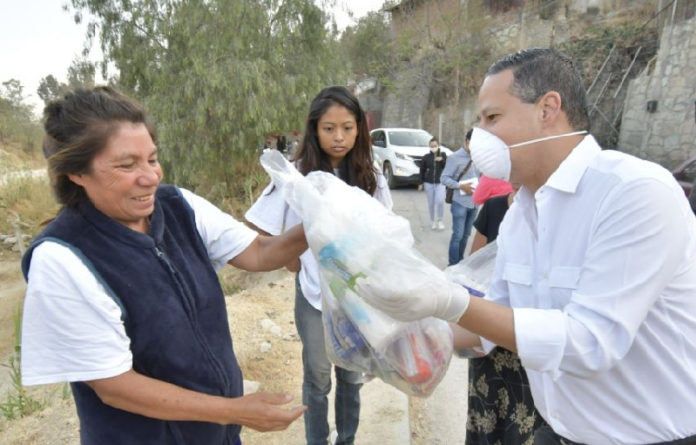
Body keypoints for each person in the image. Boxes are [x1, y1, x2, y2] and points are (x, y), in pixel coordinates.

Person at [362, 48, 696, 445]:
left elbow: (590, 343)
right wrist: (397, 335)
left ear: (547, 109)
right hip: (557, 432)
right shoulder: (522, 212)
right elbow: (496, 321)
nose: (480, 135)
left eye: (493, 117)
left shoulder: (633, 193)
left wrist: (449, 300)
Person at [20, 86, 309, 445]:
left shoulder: (177, 206)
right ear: (77, 173)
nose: (151, 177)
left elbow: (260, 253)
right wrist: (234, 410)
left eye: (152, 159)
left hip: (215, 434)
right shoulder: (62, 259)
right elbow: (115, 386)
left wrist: (320, 223)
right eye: (127, 165)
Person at [245, 86, 392, 445]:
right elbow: (260, 225)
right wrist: (291, 259)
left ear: (359, 129)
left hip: (356, 295)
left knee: (352, 375)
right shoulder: (295, 175)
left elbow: (387, 228)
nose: (339, 137)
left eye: (347, 127)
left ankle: (346, 439)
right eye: (329, 128)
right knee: (317, 377)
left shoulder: (369, 174)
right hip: (314, 295)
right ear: (315, 129)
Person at [465, 183, 545, 445]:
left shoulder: (561, 216)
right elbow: (472, 268)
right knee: (485, 423)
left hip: (531, 355)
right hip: (490, 344)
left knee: (524, 431)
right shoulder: (499, 209)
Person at [440, 129, 479, 265]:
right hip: (460, 202)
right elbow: (444, 178)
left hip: (474, 203)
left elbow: (481, 176)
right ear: (467, 141)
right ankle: (452, 264)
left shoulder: (479, 157)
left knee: (466, 235)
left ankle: (460, 263)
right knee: (458, 236)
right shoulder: (454, 157)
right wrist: (461, 186)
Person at [420, 137, 448, 230]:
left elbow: (447, 167)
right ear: (429, 146)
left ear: (438, 145)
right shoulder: (426, 157)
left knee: (440, 201)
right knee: (431, 203)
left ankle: (440, 220)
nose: (433, 147)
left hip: (440, 182)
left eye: (435, 146)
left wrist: (442, 160)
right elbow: (422, 170)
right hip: (429, 183)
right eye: (431, 146)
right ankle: (432, 221)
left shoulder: (443, 155)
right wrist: (421, 182)